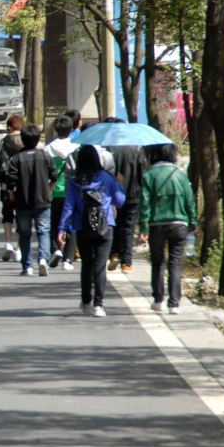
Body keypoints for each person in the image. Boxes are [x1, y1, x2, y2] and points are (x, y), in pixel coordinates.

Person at [59, 145, 126, 317]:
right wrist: (120, 186)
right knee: (100, 266)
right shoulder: (108, 178)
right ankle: (99, 305)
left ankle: (86, 300)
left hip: (82, 227)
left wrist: (62, 229)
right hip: (106, 227)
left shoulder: (75, 181)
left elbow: (68, 206)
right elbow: (119, 202)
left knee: (87, 265)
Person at [139, 144, 197, 315]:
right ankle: (174, 304)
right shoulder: (180, 175)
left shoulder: (148, 176)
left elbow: (144, 204)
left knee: (157, 262)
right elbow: (189, 202)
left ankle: (158, 301)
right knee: (175, 263)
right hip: (179, 225)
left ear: (154, 156)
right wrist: (193, 222)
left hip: (156, 226)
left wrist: (143, 226)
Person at [6, 124, 58, 276]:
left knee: (24, 234)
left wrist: (11, 192)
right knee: (44, 232)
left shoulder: (16, 158)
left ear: (22, 139)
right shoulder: (45, 156)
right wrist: (49, 190)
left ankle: (27, 266)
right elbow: (54, 176)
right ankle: (43, 259)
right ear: (38, 139)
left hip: (23, 202)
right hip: (43, 201)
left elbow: (11, 180)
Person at [104, 118, 149, 273]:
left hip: (114, 194)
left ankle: (114, 254)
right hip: (133, 195)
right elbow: (143, 174)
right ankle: (127, 263)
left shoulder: (109, 148)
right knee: (128, 228)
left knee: (115, 225)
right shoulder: (137, 148)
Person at [0, 114, 25, 262]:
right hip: (22, 186)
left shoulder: (3, 142)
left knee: (7, 215)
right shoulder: (26, 141)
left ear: (9, 128)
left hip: (6, 185)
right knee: (21, 216)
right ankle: (18, 249)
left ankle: (8, 243)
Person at [44, 115, 78, 270]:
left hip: (52, 191)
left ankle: (55, 250)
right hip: (70, 192)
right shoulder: (76, 148)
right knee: (70, 225)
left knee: (53, 223)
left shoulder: (48, 149)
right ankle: (68, 259)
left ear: (55, 130)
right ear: (71, 130)